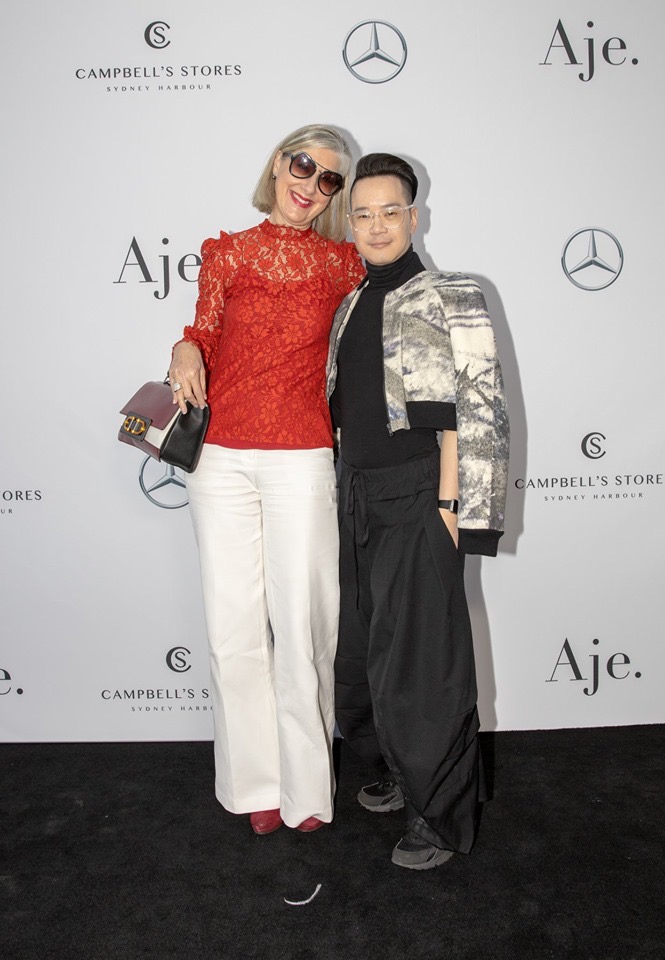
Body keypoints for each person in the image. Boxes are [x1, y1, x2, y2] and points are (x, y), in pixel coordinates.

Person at [169, 125, 365, 836]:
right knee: (232, 629)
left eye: (328, 180)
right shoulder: (226, 252)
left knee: (307, 622)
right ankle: (253, 784)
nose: (309, 185)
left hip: (302, 455)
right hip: (220, 460)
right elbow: (205, 332)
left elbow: (385, 317)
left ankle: (308, 789)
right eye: (301, 165)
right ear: (278, 163)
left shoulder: (343, 263)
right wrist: (183, 347)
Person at [327, 153, 509, 869]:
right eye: (362, 213)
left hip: (417, 493)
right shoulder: (348, 302)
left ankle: (439, 818)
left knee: (423, 663)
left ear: (414, 214)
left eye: (389, 211)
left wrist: (452, 504)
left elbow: (479, 408)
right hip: (354, 494)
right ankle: (395, 773)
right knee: (361, 649)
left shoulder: (451, 294)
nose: (375, 225)